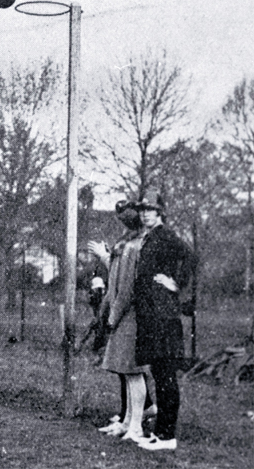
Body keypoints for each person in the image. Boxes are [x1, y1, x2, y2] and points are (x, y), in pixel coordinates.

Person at [131, 189, 197, 451]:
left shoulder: (166, 235)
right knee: (159, 374)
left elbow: (191, 256)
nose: (146, 214)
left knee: (166, 376)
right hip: (152, 315)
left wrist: (176, 284)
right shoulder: (151, 237)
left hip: (164, 316)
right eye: (143, 210)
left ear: (160, 212)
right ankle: (159, 433)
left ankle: (167, 436)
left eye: (151, 209)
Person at [89, 200, 152, 442]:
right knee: (125, 372)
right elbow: (114, 282)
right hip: (121, 315)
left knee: (133, 372)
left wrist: (113, 317)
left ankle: (136, 426)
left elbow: (127, 290)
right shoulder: (125, 245)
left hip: (130, 317)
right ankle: (126, 421)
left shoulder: (135, 247)